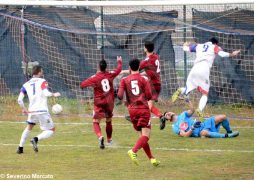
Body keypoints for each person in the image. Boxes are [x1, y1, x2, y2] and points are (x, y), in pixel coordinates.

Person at [171, 37, 241, 119]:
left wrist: (184, 44)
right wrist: (232, 54)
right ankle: (200, 110)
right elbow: (221, 53)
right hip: (204, 70)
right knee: (205, 94)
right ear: (215, 43)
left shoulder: (199, 46)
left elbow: (185, 48)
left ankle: (180, 90)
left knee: (188, 88)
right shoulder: (214, 47)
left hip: (194, 69)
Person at [118, 58, 160, 166]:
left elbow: (119, 95)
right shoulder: (144, 79)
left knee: (142, 135)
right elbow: (149, 95)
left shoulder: (124, 80)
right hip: (143, 109)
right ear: (139, 67)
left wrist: (126, 101)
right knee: (146, 135)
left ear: (129, 68)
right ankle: (133, 151)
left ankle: (152, 158)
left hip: (132, 111)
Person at [120, 41, 166, 129]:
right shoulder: (156, 56)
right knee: (148, 105)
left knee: (138, 99)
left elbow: (135, 70)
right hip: (157, 84)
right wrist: (142, 75)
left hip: (151, 85)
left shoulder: (146, 61)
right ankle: (160, 116)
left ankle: (135, 117)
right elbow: (150, 71)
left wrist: (122, 71)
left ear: (145, 48)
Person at [17, 65, 61, 154]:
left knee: (29, 127)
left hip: (32, 111)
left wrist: (24, 109)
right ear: (39, 72)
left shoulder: (25, 84)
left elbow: (19, 100)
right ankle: (35, 139)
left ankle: (20, 148)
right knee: (51, 130)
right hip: (42, 111)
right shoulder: (42, 81)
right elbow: (46, 93)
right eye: (42, 71)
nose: (43, 72)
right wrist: (53, 94)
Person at [80, 56, 122, 149]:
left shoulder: (94, 77)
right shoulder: (110, 74)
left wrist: (92, 84)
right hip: (109, 102)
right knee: (108, 121)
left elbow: (82, 85)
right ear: (106, 67)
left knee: (95, 121)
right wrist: (119, 61)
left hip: (99, 102)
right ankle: (109, 140)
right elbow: (118, 70)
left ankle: (100, 136)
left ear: (98, 67)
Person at [163, 100, 239, 138]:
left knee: (223, 117)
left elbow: (192, 110)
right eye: (166, 115)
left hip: (204, 124)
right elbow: (185, 135)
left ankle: (229, 131)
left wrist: (188, 101)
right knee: (204, 133)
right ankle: (227, 136)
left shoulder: (183, 114)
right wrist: (192, 128)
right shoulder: (175, 127)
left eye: (167, 112)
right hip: (199, 132)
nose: (168, 113)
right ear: (168, 119)